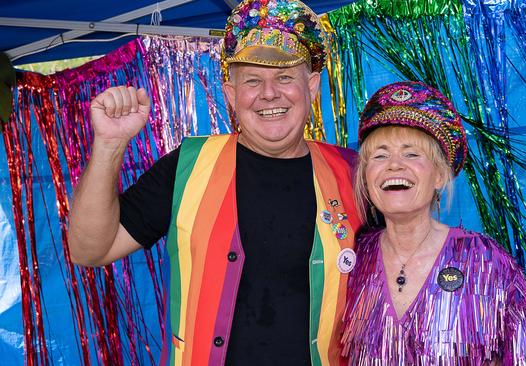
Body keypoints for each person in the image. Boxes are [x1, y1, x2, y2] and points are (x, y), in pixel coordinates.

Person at [67, 1, 360, 365]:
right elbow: (88, 250)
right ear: (230, 95)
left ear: (312, 87)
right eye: (252, 81)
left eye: (285, 77)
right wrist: (109, 147)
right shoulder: (188, 167)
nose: (269, 93)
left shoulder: (354, 175)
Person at [341, 81, 526, 365]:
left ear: (439, 176)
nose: (394, 165)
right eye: (380, 155)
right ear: (365, 176)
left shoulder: (484, 260)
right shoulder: (350, 259)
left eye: (411, 153)